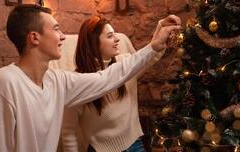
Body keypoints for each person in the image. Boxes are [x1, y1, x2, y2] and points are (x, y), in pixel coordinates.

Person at [0, 4, 181, 152]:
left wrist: (154, 45)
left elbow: (107, 78)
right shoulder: (4, 82)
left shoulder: (58, 81)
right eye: (56, 29)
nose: (63, 36)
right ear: (34, 38)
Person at [61, 17, 164, 152]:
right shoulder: (79, 83)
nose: (117, 39)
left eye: (115, 34)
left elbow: (150, 57)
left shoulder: (126, 62)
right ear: (93, 43)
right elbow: (68, 133)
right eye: (110, 36)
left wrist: (162, 31)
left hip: (135, 144)